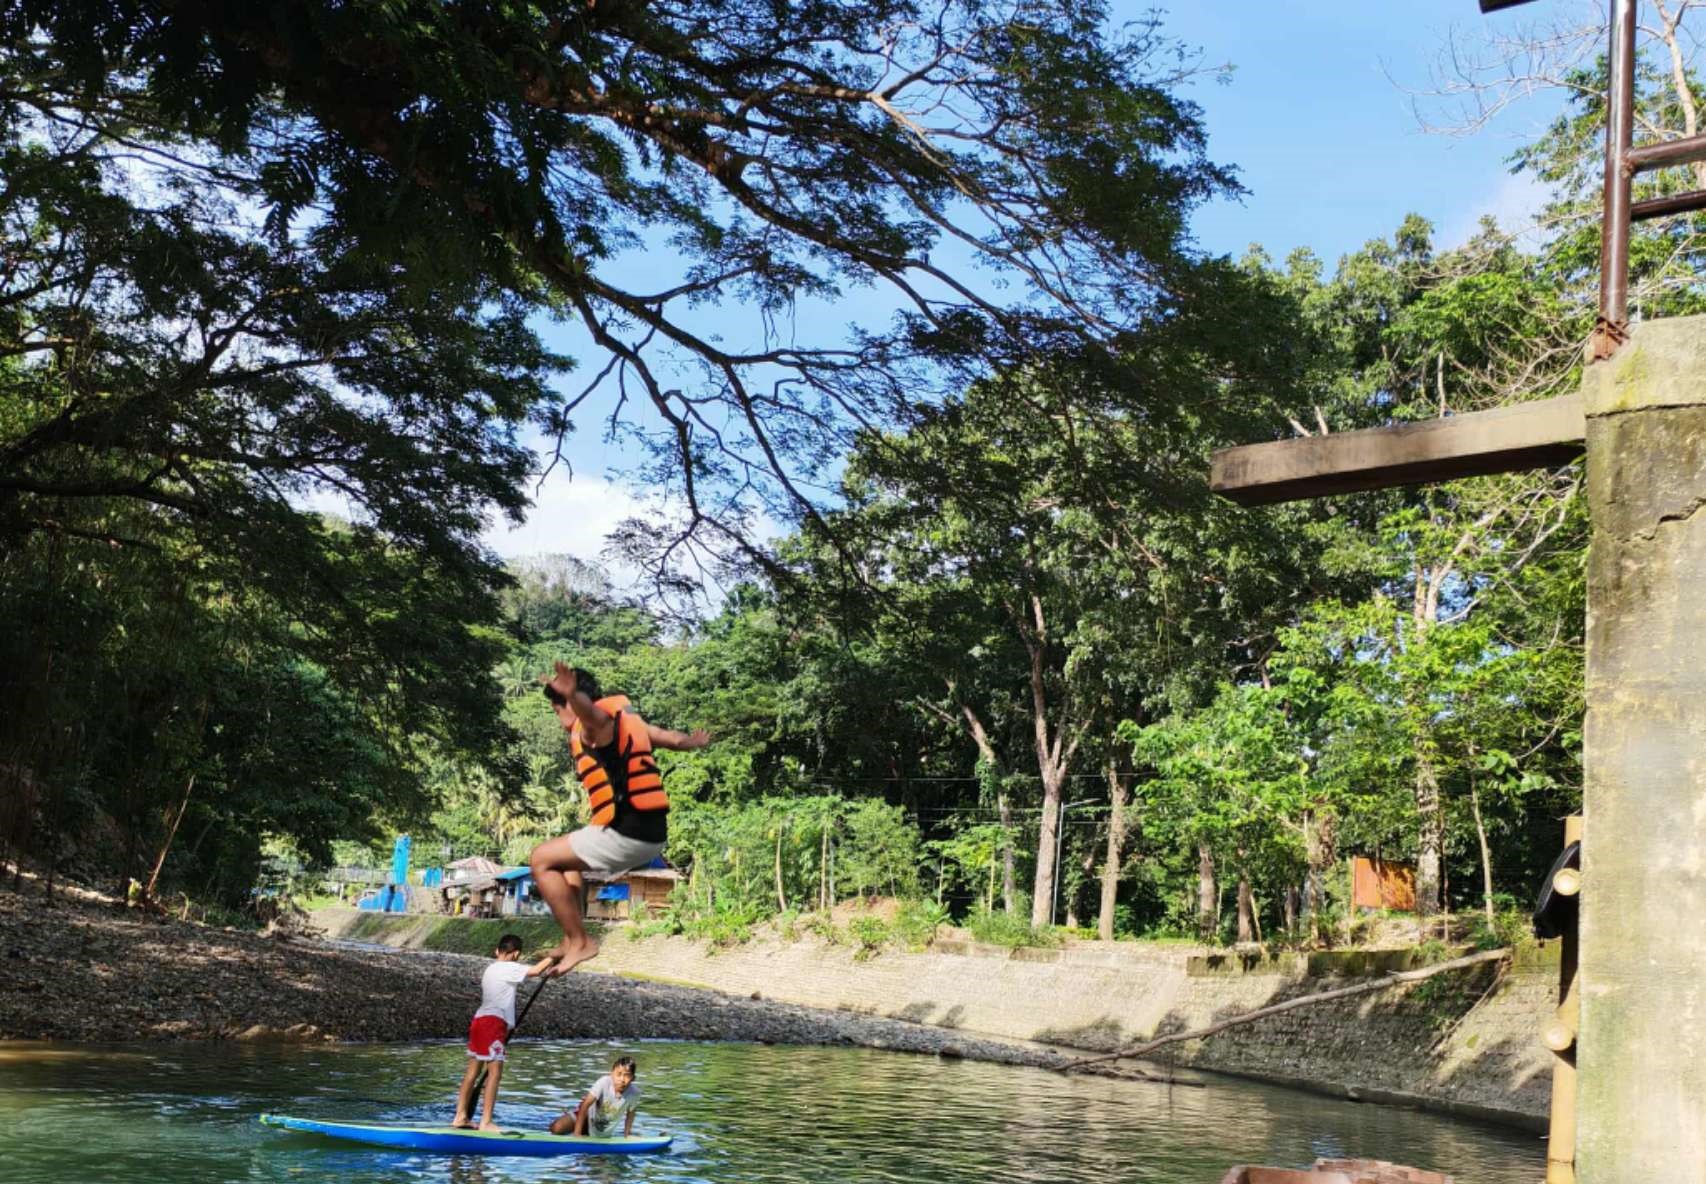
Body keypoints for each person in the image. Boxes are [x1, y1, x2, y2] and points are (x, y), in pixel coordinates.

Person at [530, 662, 710, 975]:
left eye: (557, 711)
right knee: (567, 862)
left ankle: (581, 942)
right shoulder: (631, 725)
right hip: (651, 834)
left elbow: (591, 715)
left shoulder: (595, 726)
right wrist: (691, 742)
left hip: (628, 831)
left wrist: (572, 695)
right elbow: (670, 738)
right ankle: (571, 938)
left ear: (571, 704)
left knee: (541, 859)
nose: (559, 721)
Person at [451, 934, 554, 1130]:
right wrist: (554, 956)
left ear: (497, 951)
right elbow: (535, 971)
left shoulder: (490, 968)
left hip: (479, 1021)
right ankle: (486, 1121)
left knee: (472, 1072)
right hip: (493, 1024)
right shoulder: (509, 966)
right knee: (495, 1073)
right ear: (516, 954)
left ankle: (460, 1116)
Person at [551, 1055, 642, 1138]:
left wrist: (627, 1134)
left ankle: (586, 1133)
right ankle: (578, 1129)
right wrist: (577, 1133)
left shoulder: (634, 1093)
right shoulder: (604, 1082)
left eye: (627, 1076)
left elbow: (631, 1113)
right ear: (611, 1074)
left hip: (601, 1127)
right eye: (618, 1074)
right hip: (586, 1117)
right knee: (556, 1128)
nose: (622, 1079)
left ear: (633, 1078)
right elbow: (585, 1105)